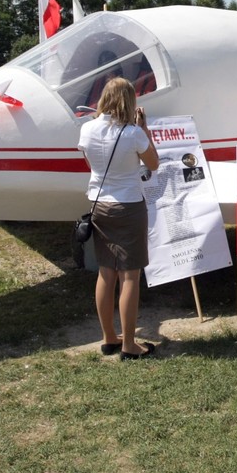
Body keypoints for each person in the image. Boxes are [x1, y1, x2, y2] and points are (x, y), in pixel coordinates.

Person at [77, 77, 160, 360]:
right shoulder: (133, 133)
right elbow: (154, 163)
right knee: (130, 277)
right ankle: (130, 345)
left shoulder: (87, 129)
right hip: (128, 206)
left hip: (99, 204)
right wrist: (144, 129)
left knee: (106, 272)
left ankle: (109, 337)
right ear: (130, 102)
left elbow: (91, 164)